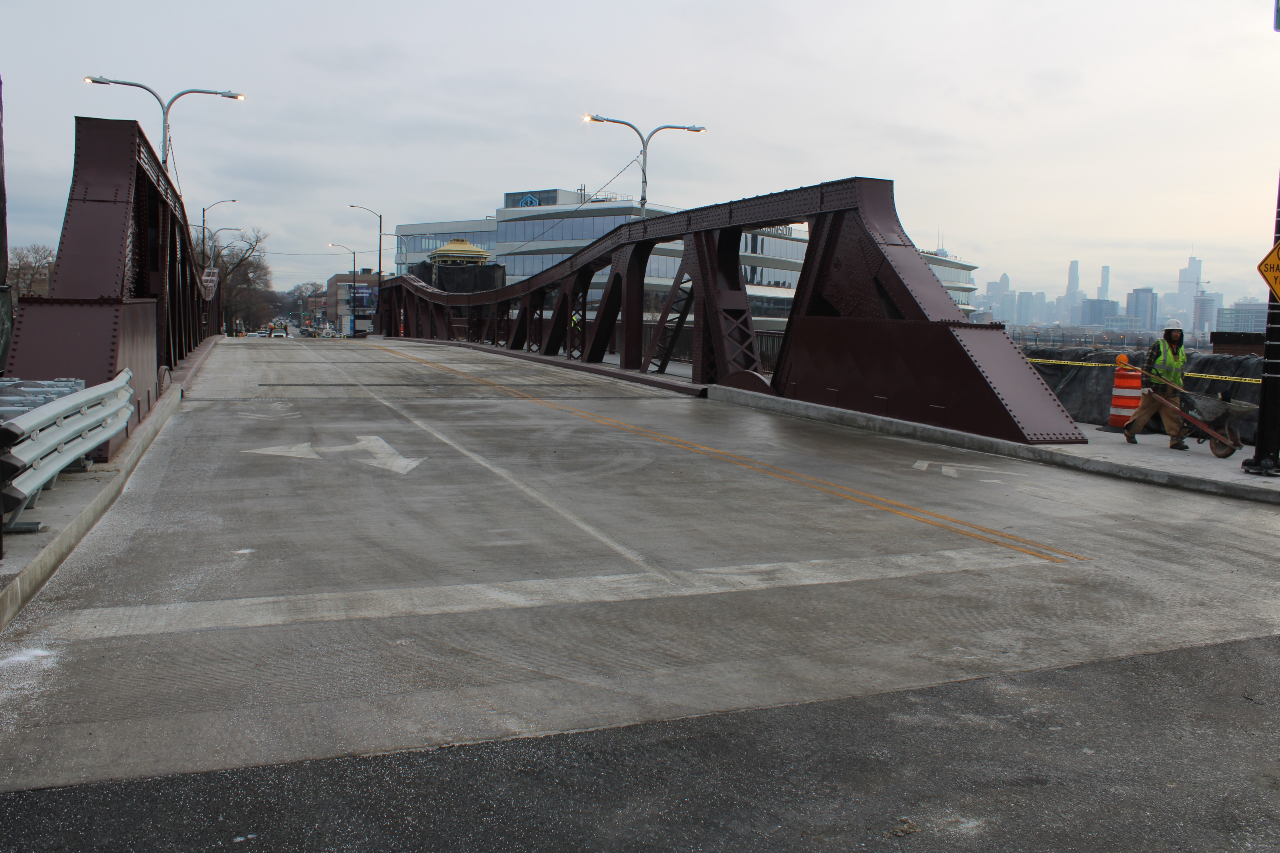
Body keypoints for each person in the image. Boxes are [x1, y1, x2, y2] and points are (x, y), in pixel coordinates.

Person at [1124, 319, 1189, 450]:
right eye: (1174, 332)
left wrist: (1181, 385)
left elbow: (1180, 370)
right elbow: (1146, 365)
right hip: (1155, 388)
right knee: (1144, 413)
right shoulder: (1158, 345)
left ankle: (1176, 440)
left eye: (1179, 332)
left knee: (1174, 415)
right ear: (1168, 333)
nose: (1177, 334)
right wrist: (1145, 385)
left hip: (1172, 389)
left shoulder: (1180, 349)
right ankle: (1130, 431)